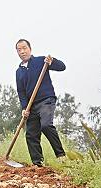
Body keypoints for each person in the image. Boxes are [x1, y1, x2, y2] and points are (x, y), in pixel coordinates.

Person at [15, 38, 67, 166]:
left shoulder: (41, 61)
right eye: (19, 49)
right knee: (31, 135)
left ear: (30, 49)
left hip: (46, 100)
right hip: (31, 107)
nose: (22, 51)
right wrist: (24, 108)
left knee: (45, 125)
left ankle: (61, 155)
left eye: (24, 48)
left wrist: (52, 61)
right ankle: (37, 164)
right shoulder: (19, 72)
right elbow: (21, 92)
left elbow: (62, 67)